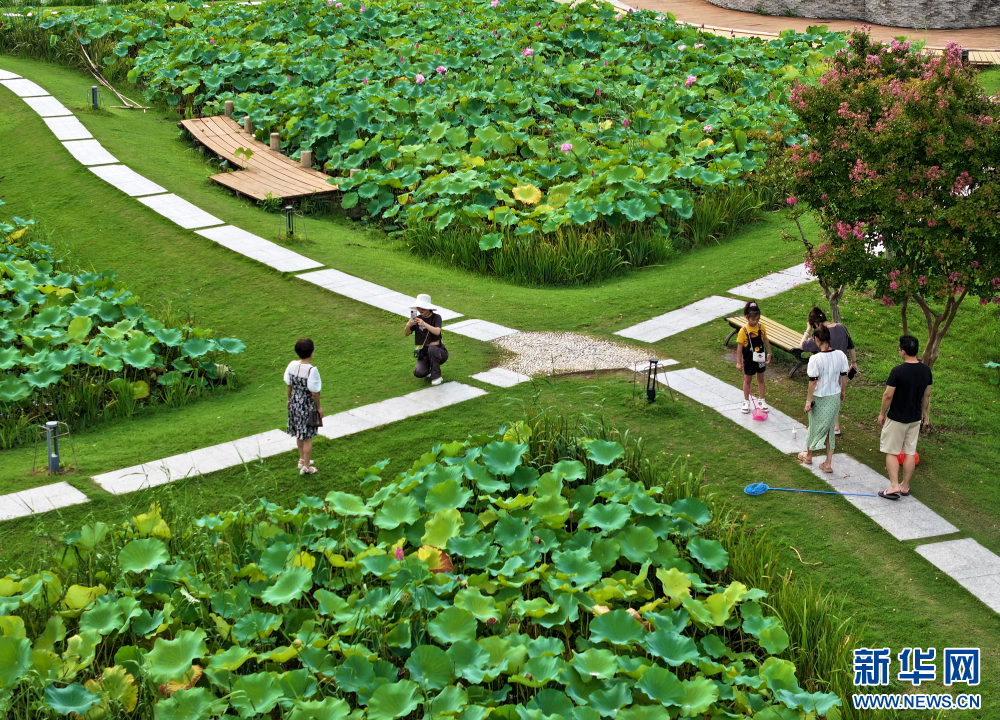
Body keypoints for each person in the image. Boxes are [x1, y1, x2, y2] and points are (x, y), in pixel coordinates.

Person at [877, 335, 932, 500]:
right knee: (909, 452)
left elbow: (888, 395)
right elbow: (927, 395)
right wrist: (924, 414)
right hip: (915, 418)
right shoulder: (926, 370)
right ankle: (905, 486)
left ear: (903, 351)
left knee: (891, 451)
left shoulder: (898, 371)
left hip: (897, 418)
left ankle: (894, 486)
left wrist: (881, 413)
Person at [797, 325, 849, 473]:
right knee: (829, 429)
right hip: (834, 396)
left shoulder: (815, 359)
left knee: (814, 425)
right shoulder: (840, 355)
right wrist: (842, 391)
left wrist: (808, 400)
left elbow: (813, 381)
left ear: (817, 339)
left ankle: (809, 455)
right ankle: (828, 463)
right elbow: (844, 376)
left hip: (819, 397)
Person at [800, 307, 858, 435]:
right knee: (834, 397)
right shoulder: (842, 327)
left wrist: (808, 330)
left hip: (825, 370)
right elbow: (851, 345)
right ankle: (835, 426)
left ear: (815, 323)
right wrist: (854, 363)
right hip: (839, 368)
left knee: (821, 398)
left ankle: (820, 428)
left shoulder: (821, 334)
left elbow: (803, 345)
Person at [285, 338, 322, 475]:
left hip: (295, 401)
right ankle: (306, 466)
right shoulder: (312, 371)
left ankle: (302, 459)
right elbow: (314, 393)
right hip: (307, 405)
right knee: (308, 436)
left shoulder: (292, 365)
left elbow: (289, 385)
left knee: (299, 432)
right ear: (312, 352)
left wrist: (289, 400)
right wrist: (319, 408)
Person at [735, 301, 771, 413]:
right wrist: (739, 362)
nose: (755, 322)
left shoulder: (761, 327)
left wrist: (769, 352)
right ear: (747, 317)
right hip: (749, 358)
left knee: (761, 378)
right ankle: (746, 401)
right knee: (748, 379)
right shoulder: (743, 331)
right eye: (753, 319)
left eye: (757, 319)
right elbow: (740, 348)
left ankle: (761, 400)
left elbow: (765, 339)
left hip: (760, 356)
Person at [405, 293, 448, 386]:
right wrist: (408, 325)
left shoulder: (436, 317)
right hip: (424, 350)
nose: (420, 310)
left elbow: (437, 331)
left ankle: (436, 376)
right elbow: (406, 334)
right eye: (419, 308)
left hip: (438, 349)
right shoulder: (416, 319)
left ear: (428, 308)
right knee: (418, 373)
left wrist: (424, 324)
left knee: (432, 349)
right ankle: (428, 369)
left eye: (423, 308)